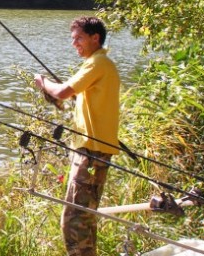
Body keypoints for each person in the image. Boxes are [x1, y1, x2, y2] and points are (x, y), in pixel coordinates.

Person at [34, 16, 120, 256]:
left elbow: (62, 91)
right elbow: (75, 95)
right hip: (94, 150)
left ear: (96, 38)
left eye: (79, 38)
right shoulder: (100, 65)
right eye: (72, 39)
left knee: (73, 220)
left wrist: (44, 83)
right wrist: (59, 92)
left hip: (90, 152)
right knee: (86, 218)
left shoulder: (97, 63)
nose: (74, 44)